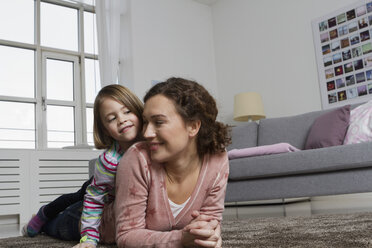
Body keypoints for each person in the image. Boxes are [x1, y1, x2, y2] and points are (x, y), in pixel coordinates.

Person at [97, 77, 231, 247]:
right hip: (92, 221)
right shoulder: (137, 157)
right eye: (146, 122)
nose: (146, 133)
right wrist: (181, 240)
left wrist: (209, 234)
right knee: (58, 218)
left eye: (158, 122)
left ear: (193, 126)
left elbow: (211, 221)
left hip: (121, 189)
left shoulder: (217, 158)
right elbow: (126, 236)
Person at [22, 84, 144, 248]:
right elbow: (94, 200)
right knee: (73, 206)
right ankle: (44, 216)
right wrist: (88, 239)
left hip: (109, 191)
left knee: (78, 201)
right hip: (104, 188)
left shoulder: (153, 142)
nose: (122, 119)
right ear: (105, 130)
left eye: (127, 111)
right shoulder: (109, 161)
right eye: (112, 118)